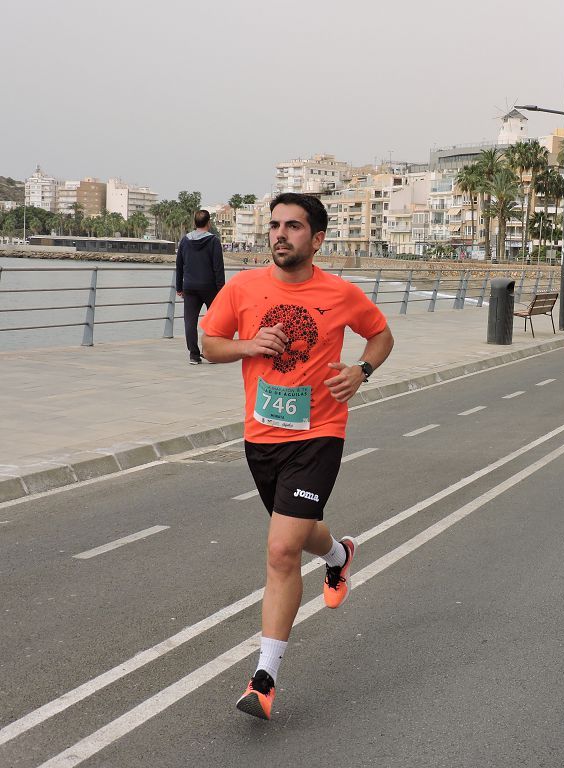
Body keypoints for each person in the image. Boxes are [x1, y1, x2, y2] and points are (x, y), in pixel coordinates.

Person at [200, 193, 395, 720]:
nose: (280, 234)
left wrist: (362, 371)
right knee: (301, 531)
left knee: (282, 549)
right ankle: (339, 556)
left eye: (293, 226)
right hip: (261, 439)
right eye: (274, 225)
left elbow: (381, 335)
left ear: (317, 238)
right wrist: (249, 345)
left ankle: (264, 678)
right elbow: (210, 341)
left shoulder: (340, 292)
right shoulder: (241, 288)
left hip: (320, 433)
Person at [175, 209, 225, 364]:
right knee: (214, 321)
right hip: (210, 287)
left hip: (189, 286)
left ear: (194, 223)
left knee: (190, 321)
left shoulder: (185, 240)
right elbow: (218, 268)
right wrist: (222, 289)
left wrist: (179, 287)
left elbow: (179, 266)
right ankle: (211, 352)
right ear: (208, 223)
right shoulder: (213, 241)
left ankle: (194, 355)